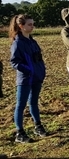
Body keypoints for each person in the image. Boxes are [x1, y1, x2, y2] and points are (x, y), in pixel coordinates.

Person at [9, 14, 48, 143]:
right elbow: (14, 62)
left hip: (37, 77)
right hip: (25, 79)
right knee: (20, 105)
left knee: (34, 103)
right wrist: (29, 70)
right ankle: (19, 133)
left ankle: (38, 126)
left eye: (33, 24)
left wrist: (41, 71)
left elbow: (38, 58)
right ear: (21, 26)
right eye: (29, 24)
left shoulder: (32, 41)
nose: (32, 26)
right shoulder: (17, 43)